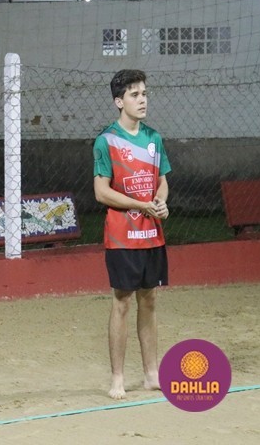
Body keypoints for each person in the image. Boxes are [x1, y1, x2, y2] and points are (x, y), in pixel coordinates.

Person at [92, 69, 170, 400]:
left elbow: (161, 181)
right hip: (122, 236)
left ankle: (152, 374)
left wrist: (160, 201)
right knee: (122, 301)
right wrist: (139, 204)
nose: (142, 100)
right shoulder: (106, 141)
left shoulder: (154, 138)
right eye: (135, 95)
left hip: (152, 234)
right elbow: (101, 192)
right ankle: (118, 378)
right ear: (118, 101)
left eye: (144, 94)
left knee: (149, 299)